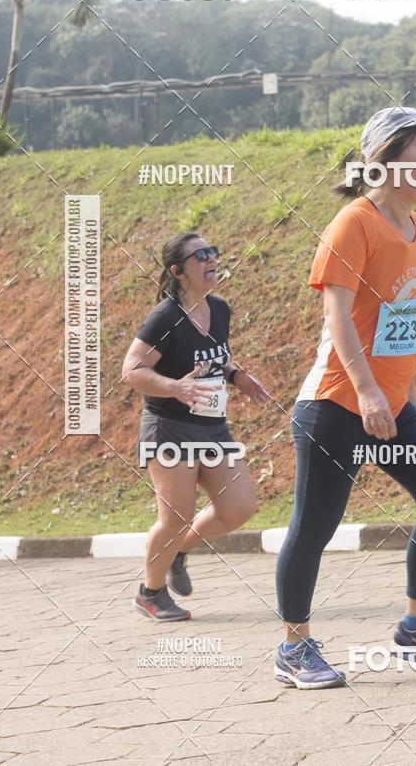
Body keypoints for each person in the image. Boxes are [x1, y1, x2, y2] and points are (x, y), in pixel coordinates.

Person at [274, 106, 416, 688]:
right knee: (314, 527)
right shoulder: (353, 223)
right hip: (336, 405)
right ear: (385, 160)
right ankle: (293, 649)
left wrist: (401, 395)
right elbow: (337, 316)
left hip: (389, 406)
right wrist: (368, 392)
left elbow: (400, 322)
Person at [122, 231, 270, 621]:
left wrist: (236, 376)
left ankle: (178, 551)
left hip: (212, 427)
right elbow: (132, 370)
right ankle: (150, 594)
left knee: (238, 507)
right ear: (178, 271)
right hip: (169, 428)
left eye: (212, 252)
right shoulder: (165, 317)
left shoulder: (218, 309)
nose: (211, 259)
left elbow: (216, 357)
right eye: (200, 256)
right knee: (175, 516)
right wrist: (175, 387)